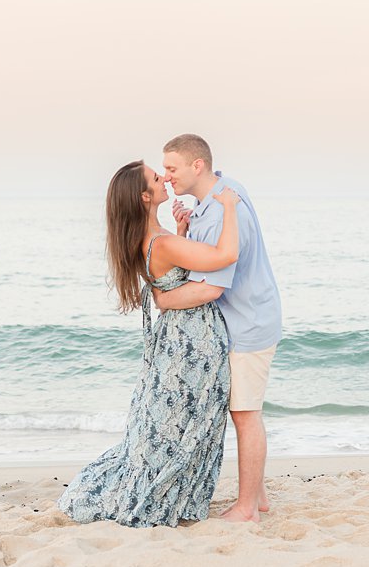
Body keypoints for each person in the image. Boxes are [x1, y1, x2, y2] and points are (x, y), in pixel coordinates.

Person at [58, 161, 242, 528]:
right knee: (188, 420)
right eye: (157, 179)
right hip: (191, 337)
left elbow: (171, 278)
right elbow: (226, 256)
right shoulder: (162, 243)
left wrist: (182, 229)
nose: (164, 178)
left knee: (174, 420)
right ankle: (169, 492)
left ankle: (174, 489)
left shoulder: (157, 238)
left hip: (174, 334)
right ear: (145, 197)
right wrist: (232, 208)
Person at [155, 134, 282, 523]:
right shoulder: (223, 195)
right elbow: (205, 257)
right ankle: (256, 498)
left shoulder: (225, 211)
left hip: (248, 324)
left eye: (172, 168)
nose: (166, 176)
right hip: (246, 319)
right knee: (239, 411)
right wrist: (184, 231)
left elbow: (210, 287)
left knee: (245, 414)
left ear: (197, 166)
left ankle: (247, 509)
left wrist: (160, 301)